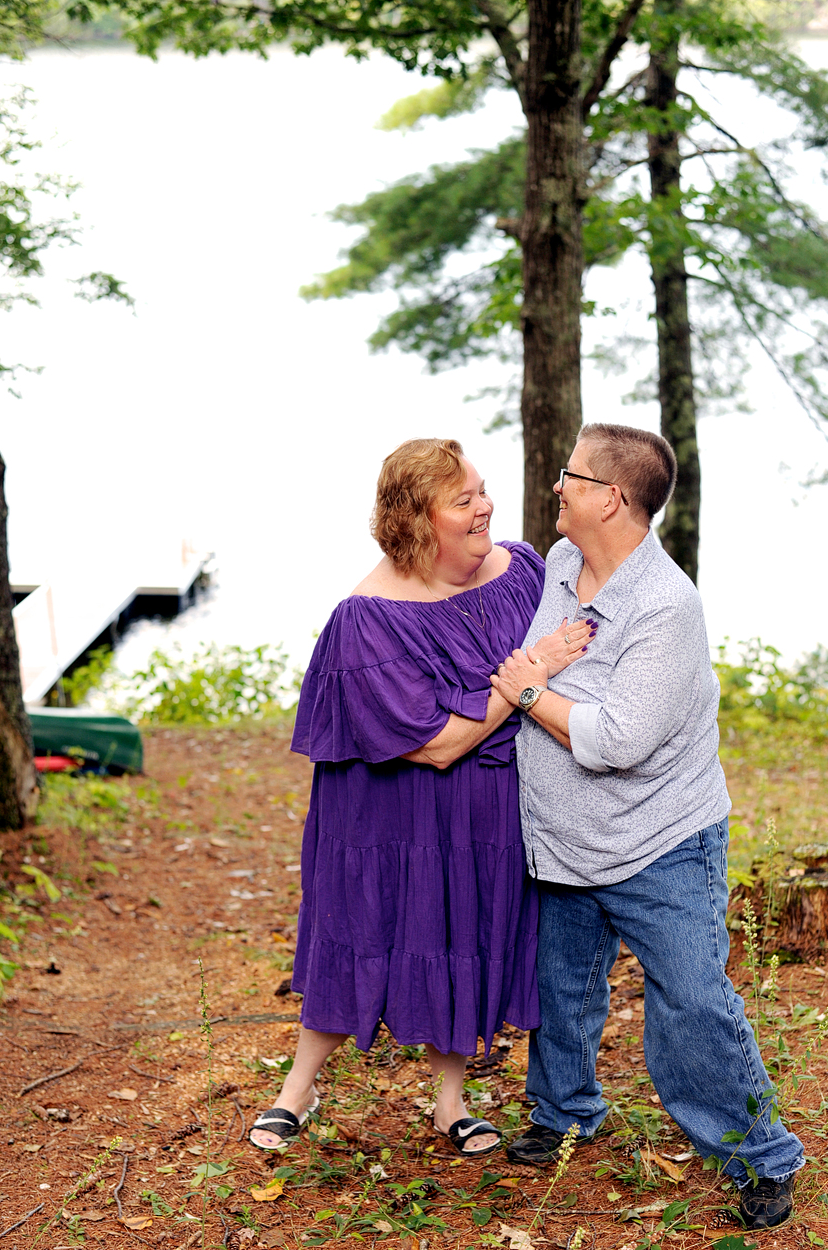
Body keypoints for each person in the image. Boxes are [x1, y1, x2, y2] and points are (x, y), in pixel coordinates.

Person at [490, 423, 804, 1228]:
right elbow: (545, 665)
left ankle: (760, 1157)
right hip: (563, 836)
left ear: (611, 497)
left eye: (571, 474)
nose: (557, 483)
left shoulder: (666, 605)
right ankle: (564, 1114)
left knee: (690, 1004)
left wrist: (529, 692)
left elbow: (615, 740)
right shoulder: (562, 565)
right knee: (561, 988)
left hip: (658, 840)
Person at [249, 438, 594, 1157]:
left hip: (484, 811)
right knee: (358, 934)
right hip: (385, 816)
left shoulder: (521, 569)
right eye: (463, 500)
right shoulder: (366, 620)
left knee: (459, 934)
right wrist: (527, 678)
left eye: (482, 489)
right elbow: (437, 744)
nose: (485, 507)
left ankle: (450, 1102)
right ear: (416, 520)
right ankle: (298, 1088)